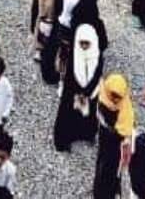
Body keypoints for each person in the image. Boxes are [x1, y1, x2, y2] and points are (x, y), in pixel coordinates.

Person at [53, 23, 103, 152]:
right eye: (81, 43)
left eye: (87, 43)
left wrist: (87, 91)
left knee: (90, 113)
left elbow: (97, 75)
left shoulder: (97, 56)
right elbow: (70, 76)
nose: (84, 46)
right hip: (74, 90)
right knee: (68, 114)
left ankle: (86, 134)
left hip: (91, 91)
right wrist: (79, 92)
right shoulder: (74, 55)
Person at [94, 74, 135, 198]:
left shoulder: (106, 98)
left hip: (112, 140)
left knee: (108, 167)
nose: (115, 100)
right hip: (110, 140)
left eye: (118, 97)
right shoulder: (105, 97)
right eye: (114, 96)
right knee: (107, 167)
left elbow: (125, 128)